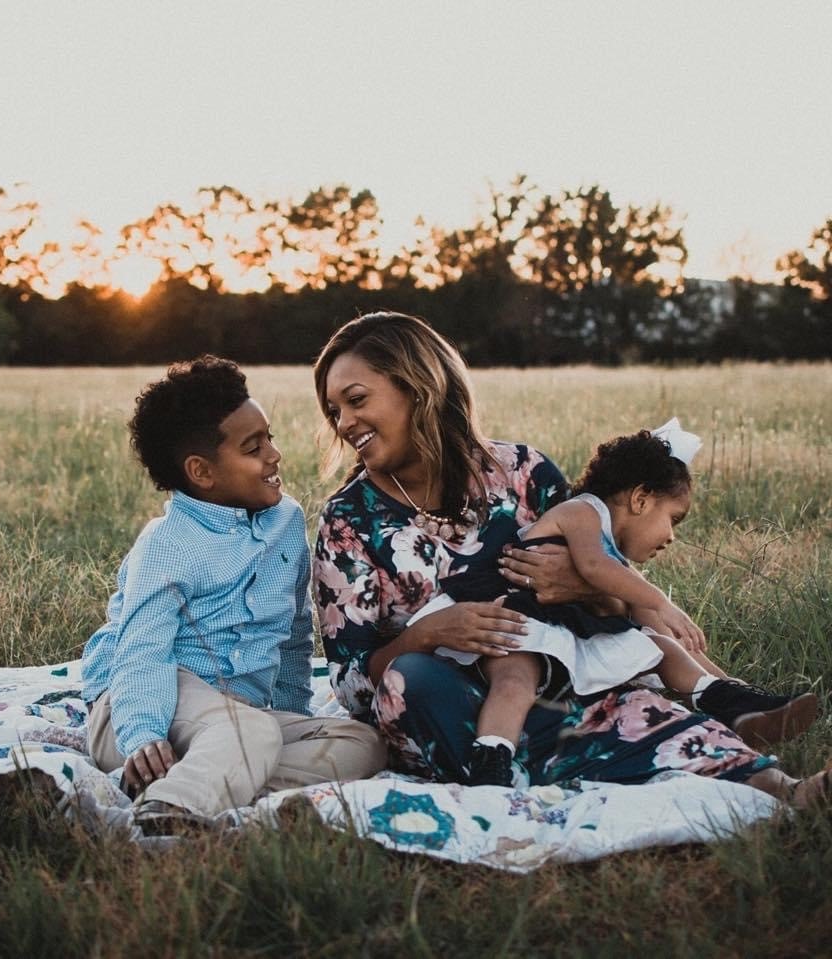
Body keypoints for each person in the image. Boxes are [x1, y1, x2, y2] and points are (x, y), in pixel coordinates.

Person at [311, 311, 829, 809]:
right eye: (334, 409)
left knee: (628, 702)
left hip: (562, 682)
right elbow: (352, 685)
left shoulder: (525, 473)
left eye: (356, 400)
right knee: (414, 680)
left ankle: (786, 788)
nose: (344, 422)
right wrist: (426, 635)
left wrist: (585, 589)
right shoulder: (348, 521)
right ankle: (535, 761)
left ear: (419, 386)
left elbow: (606, 594)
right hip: (451, 703)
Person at [82, 356, 386, 833]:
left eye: (270, 437)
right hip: (141, 708)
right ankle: (164, 814)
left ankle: (210, 781)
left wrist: (290, 713)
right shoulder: (166, 546)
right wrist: (142, 734)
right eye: (253, 447)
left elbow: (291, 634)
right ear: (202, 472)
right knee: (251, 733)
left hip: (240, 719)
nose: (274, 455)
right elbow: (141, 650)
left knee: (361, 743)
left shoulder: (285, 523)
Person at [424, 424, 817, 785]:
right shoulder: (583, 511)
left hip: (562, 633)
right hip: (516, 620)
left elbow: (646, 620)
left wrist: (704, 660)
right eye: (674, 519)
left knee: (661, 647)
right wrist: (661, 601)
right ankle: (491, 760)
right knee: (514, 681)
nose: (672, 537)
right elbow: (594, 567)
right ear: (641, 499)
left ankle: (732, 701)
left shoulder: (618, 562)